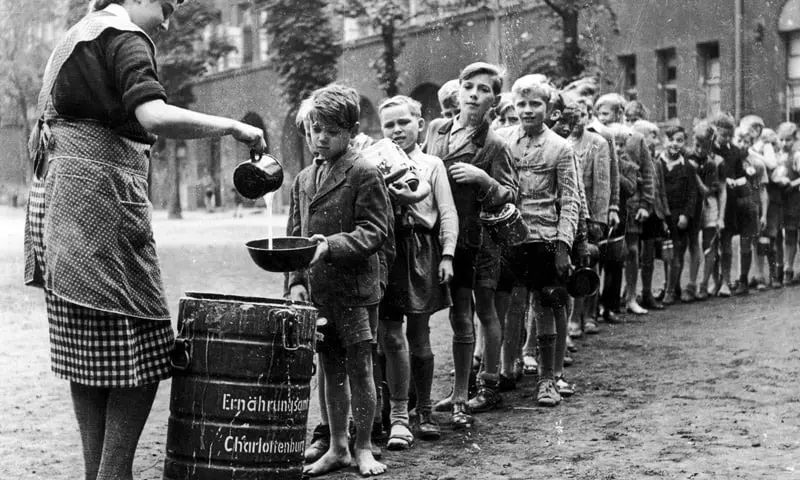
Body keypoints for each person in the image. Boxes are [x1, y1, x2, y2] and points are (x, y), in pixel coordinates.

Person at [23, 2, 267, 479]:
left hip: (60, 208)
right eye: (166, 6)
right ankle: (115, 475)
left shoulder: (78, 34)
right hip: (100, 207)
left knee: (86, 355)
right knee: (151, 347)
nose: (168, 22)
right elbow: (153, 116)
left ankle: (101, 475)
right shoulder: (124, 35)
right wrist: (233, 126)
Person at [287, 84, 390, 477]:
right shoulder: (302, 180)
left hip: (357, 290)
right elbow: (293, 236)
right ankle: (337, 446)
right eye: (314, 129)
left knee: (361, 367)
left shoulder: (363, 171)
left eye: (330, 130)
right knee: (330, 367)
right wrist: (295, 281)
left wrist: (329, 245)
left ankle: (364, 446)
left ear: (351, 130)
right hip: (320, 291)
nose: (320, 138)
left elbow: (375, 230)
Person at [426, 62, 517, 425]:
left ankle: (488, 385)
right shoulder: (437, 130)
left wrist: (483, 179)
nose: (475, 94)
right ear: (459, 90)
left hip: (480, 239)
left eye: (484, 89)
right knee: (457, 314)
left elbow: (512, 195)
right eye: (469, 87)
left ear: (494, 99)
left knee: (485, 311)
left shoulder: (494, 144)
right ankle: (459, 391)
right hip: (444, 236)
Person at [377, 95, 458, 446]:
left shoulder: (432, 164)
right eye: (389, 125)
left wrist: (448, 255)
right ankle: (390, 411)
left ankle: (424, 409)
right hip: (387, 252)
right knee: (387, 334)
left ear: (420, 125)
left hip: (422, 249)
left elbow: (447, 211)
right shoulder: (376, 163)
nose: (397, 130)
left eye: (403, 123)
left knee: (419, 335)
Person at [496, 76, 580, 406]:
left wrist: (563, 246)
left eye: (535, 104)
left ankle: (548, 379)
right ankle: (508, 366)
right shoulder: (503, 140)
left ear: (549, 109)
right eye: (521, 104)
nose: (528, 110)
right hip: (511, 237)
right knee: (513, 304)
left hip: (545, 237)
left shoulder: (561, 147)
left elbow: (570, 200)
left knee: (546, 306)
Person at [659, 126, 699, 305]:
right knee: (666, 254)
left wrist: (686, 215)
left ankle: (670, 291)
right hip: (663, 215)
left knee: (677, 254)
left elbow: (692, 194)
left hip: (680, 216)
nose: (675, 144)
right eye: (672, 139)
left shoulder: (688, 166)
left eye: (680, 140)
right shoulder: (657, 163)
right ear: (665, 141)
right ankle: (670, 285)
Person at [632, 119, 670, 309]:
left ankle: (647, 293)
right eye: (651, 136)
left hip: (655, 213)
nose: (655, 140)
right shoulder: (634, 161)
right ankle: (630, 293)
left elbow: (661, 190)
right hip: (639, 211)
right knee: (632, 255)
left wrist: (664, 215)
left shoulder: (657, 162)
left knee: (649, 256)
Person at [688, 121, 727, 300]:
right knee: (693, 244)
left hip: (709, 204)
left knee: (709, 245)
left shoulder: (715, 162)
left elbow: (712, 190)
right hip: (692, 205)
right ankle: (692, 284)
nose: (698, 149)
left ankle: (705, 283)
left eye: (703, 146)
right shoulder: (688, 156)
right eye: (696, 144)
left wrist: (721, 216)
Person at [710, 112, 748, 297]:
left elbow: (742, 177)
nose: (726, 139)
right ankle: (714, 281)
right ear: (715, 132)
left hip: (730, 202)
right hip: (712, 201)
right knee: (711, 242)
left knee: (725, 242)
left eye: (728, 135)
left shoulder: (734, 151)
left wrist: (734, 181)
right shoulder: (709, 150)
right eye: (722, 134)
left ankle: (725, 281)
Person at [730, 125, 769, 296]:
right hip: (732, 206)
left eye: (746, 142)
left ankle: (746, 279)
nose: (742, 144)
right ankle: (728, 279)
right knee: (728, 243)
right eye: (739, 140)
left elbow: (762, 190)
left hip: (750, 206)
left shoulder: (757, 163)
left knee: (749, 241)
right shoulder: (729, 160)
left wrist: (765, 214)